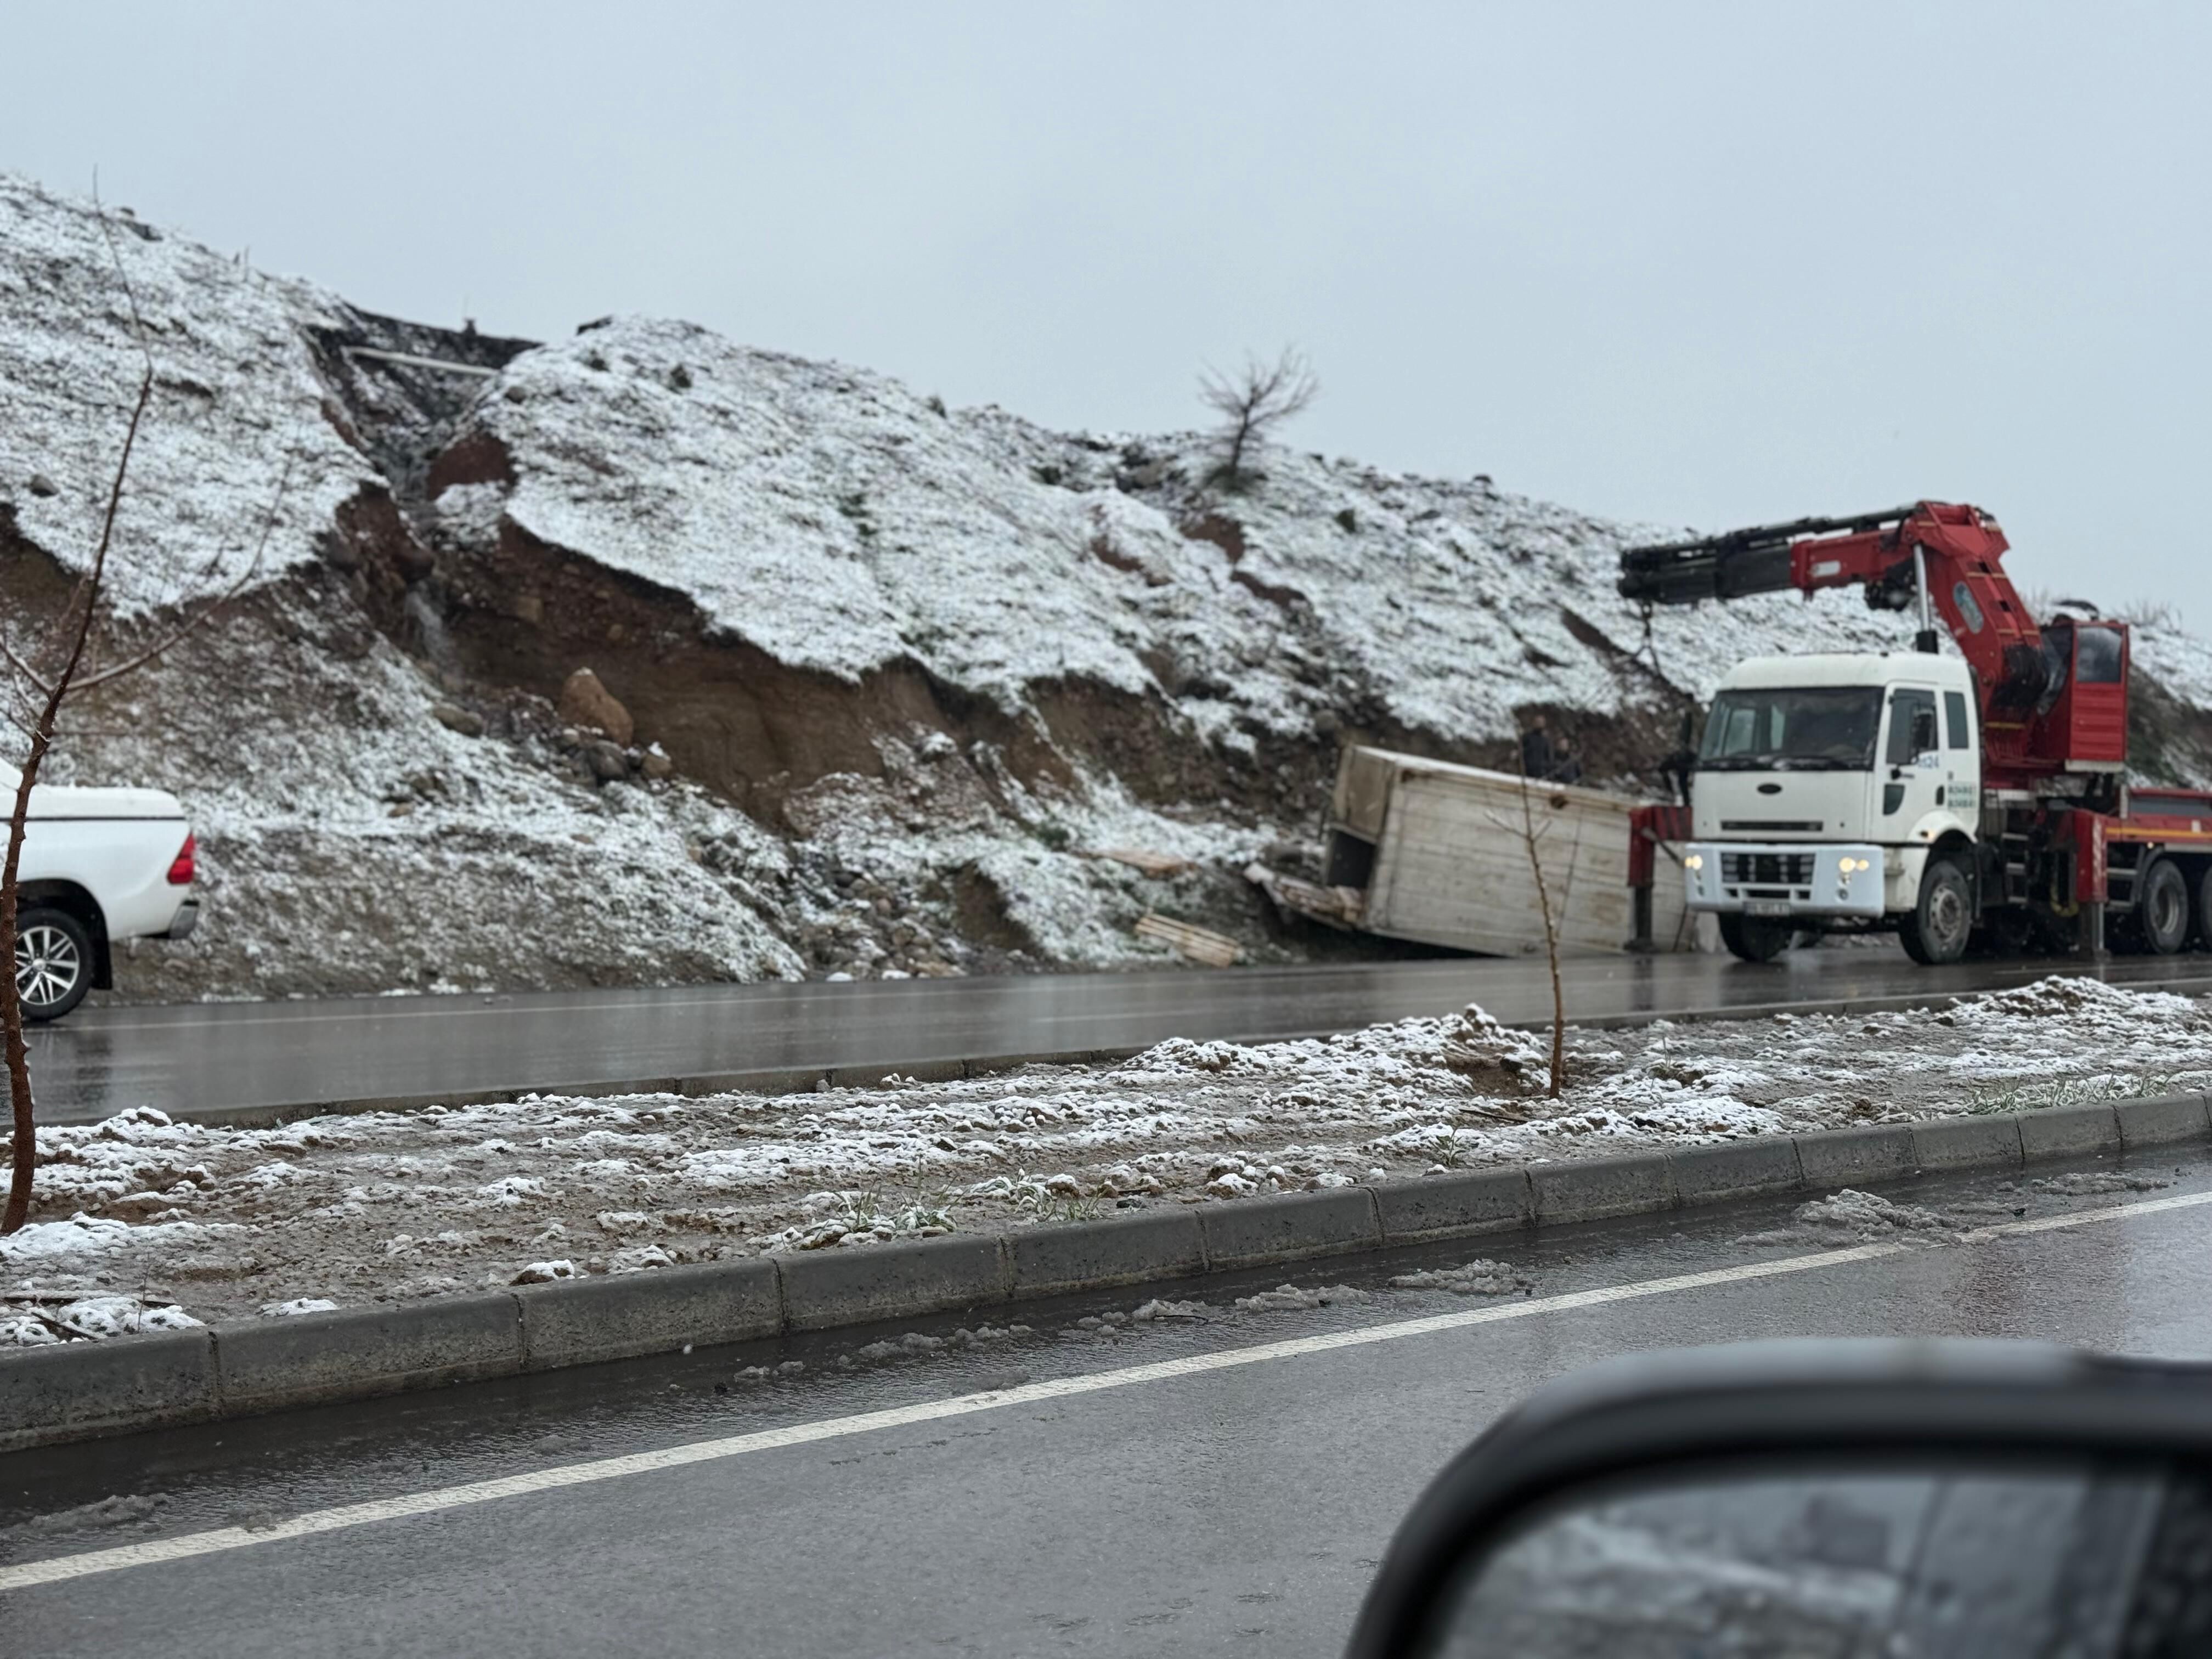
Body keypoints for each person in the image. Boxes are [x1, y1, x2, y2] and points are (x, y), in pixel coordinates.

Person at [1520, 715, 1556, 781]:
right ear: (1534, 723)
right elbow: (1522, 752)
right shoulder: (1527, 737)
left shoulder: (1546, 740)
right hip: (1528, 771)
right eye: (1538, 722)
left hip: (1542, 773)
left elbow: (1549, 757)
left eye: (1541, 722)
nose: (1539, 724)